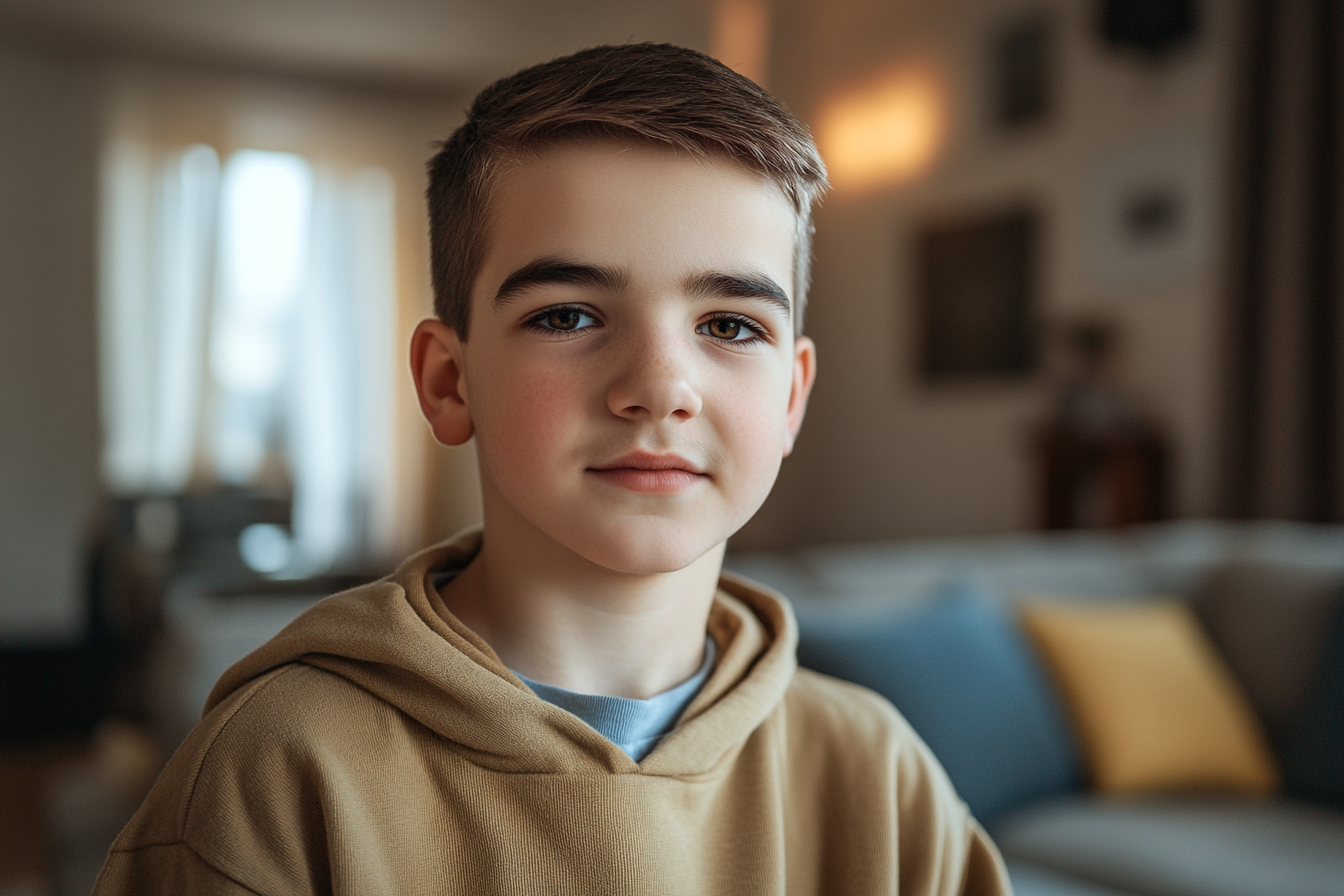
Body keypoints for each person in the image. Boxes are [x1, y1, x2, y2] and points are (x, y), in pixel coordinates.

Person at [94, 43, 1011, 895]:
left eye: (731, 325)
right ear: (451, 382)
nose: (659, 390)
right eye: (568, 315)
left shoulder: (881, 775)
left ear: (791, 401)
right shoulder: (278, 768)